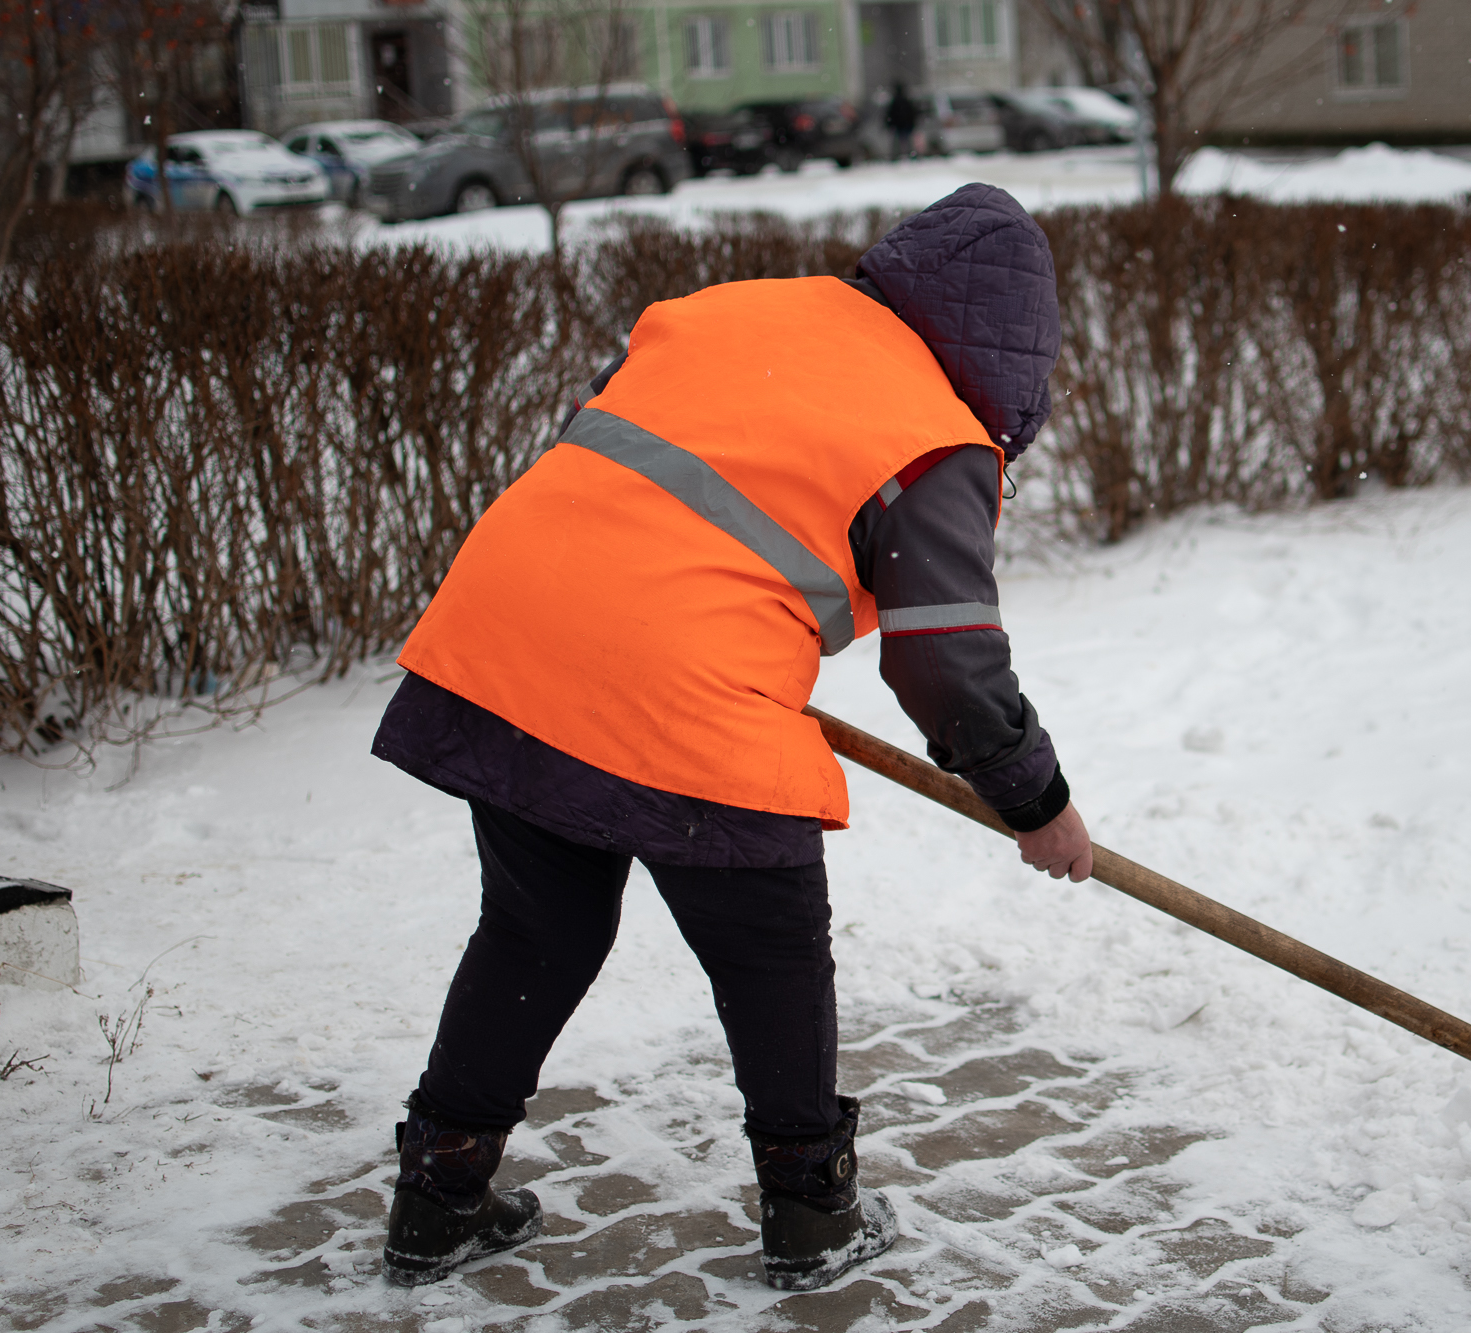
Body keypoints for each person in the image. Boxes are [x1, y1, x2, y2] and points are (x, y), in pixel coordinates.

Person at [368, 183, 1091, 1292]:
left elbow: (659, 483)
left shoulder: (737, 308)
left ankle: (438, 1191)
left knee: (535, 932)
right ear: (1011, 351)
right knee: (771, 952)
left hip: (509, 630)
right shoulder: (934, 437)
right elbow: (945, 665)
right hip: (682, 690)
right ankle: (811, 1212)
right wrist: (1037, 805)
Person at [886, 82, 920, 160]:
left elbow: (891, 114)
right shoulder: (906, 100)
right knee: (908, 141)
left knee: (897, 143)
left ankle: (895, 156)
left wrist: (890, 123)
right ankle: (911, 154)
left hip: (899, 125)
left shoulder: (895, 101)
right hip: (906, 125)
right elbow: (912, 113)